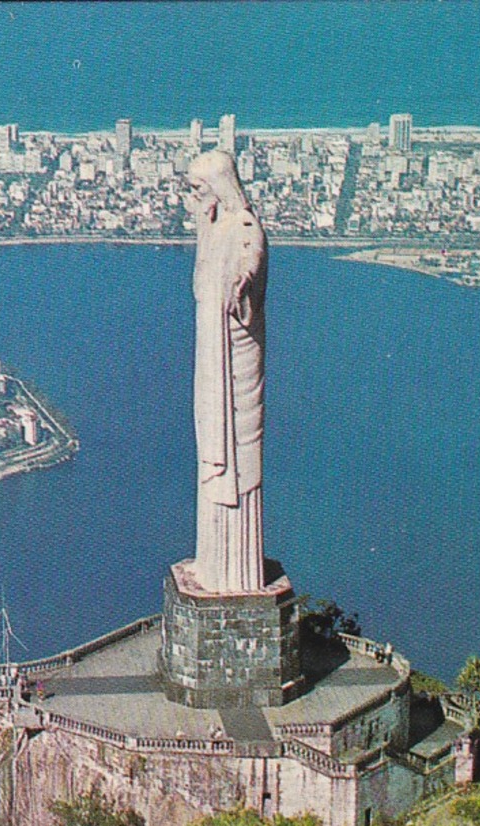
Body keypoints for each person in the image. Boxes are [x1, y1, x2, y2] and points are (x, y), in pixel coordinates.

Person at [186, 148, 268, 594]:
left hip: (234, 363)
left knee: (234, 456)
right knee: (212, 461)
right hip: (210, 362)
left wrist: (244, 280)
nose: (194, 198)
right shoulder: (214, 229)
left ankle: (237, 572)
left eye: (199, 189)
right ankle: (212, 565)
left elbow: (251, 259)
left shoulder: (244, 228)